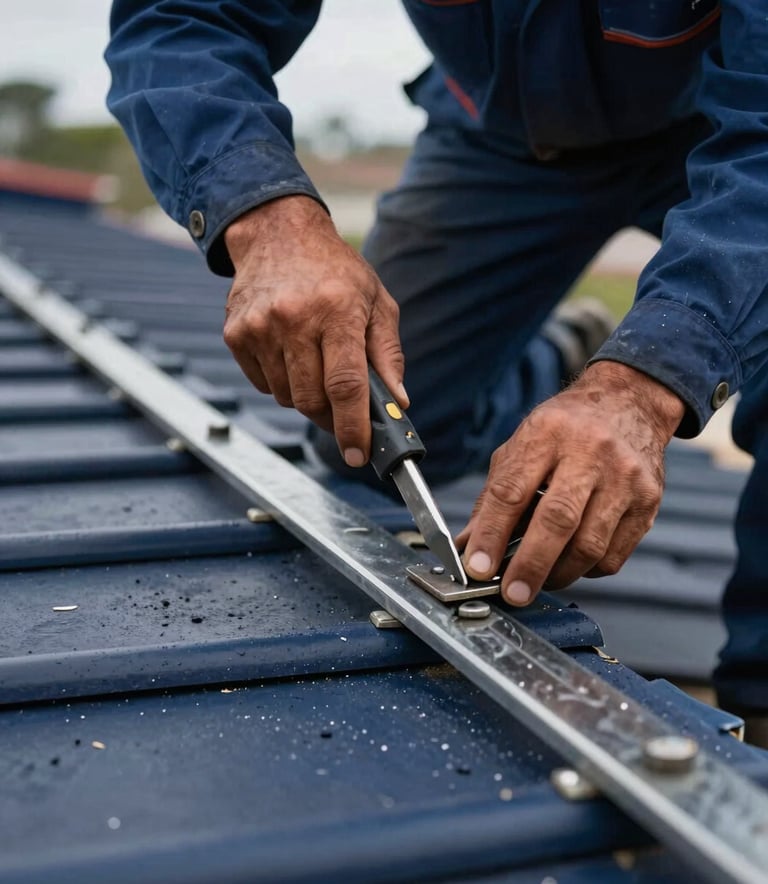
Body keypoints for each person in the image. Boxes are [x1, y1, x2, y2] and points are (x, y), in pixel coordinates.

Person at [106, 2, 768, 733]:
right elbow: (181, 15)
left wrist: (645, 387)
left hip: (729, 134)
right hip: (500, 139)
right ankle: (560, 359)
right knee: (359, 416)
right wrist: (268, 223)